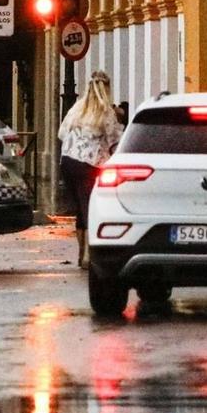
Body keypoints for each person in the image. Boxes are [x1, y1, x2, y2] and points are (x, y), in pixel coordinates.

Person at [59, 71, 122, 269]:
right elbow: (115, 140)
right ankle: (88, 255)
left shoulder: (77, 108)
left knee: (79, 207)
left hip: (68, 161)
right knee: (90, 207)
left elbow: (61, 133)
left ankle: (80, 254)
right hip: (91, 164)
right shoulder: (106, 112)